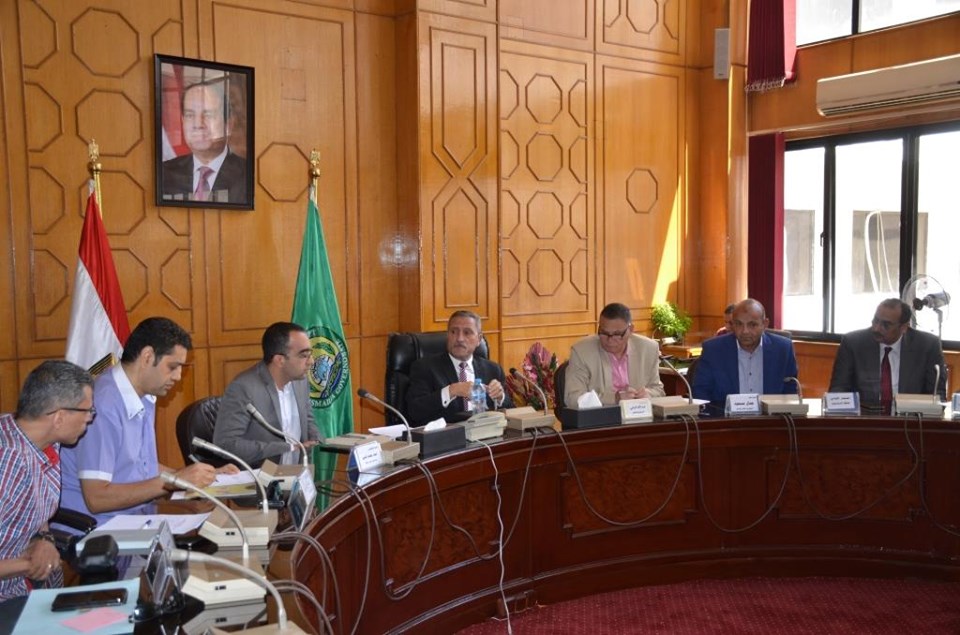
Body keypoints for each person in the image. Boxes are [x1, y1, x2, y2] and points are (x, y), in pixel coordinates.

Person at [60, 318, 233, 528]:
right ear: (147, 356)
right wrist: (176, 481)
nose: (178, 377)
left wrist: (203, 477)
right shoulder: (103, 405)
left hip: (135, 518)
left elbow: (140, 466)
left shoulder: (144, 395)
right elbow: (96, 498)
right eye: (173, 367)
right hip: (96, 530)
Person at [0, 361, 94, 602]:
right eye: (87, 411)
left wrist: (44, 538)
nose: (90, 419)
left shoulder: (45, 441)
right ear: (59, 417)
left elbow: (33, 507)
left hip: (32, 588)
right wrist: (29, 565)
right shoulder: (9, 462)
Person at [214, 322, 322, 468]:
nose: (311, 362)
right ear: (280, 360)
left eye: (310, 355)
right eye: (304, 356)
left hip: (298, 474)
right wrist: (286, 447)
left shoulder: (300, 381)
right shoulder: (244, 388)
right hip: (259, 476)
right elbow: (225, 444)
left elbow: (307, 418)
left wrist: (315, 437)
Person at [828, 298, 946, 414]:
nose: (876, 328)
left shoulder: (927, 346)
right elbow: (838, 390)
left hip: (911, 420)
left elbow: (937, 395)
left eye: (886, 325)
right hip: (864, 419)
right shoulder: (853, 343)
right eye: (875, 321)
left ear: (904, 327)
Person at [406, 311, 514, 426]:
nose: (459, 338)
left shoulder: (493, 369)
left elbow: (511, 412)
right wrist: (451, 391)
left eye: (467, 333)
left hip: (485, 433)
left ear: (479, 339)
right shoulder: (425, 367)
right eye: (453, 332)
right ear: (447, 335)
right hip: (448, 434)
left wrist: (500, 397)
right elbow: (414, 411)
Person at [692, 298, 799, 410]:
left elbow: (790, 391)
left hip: (770, 418)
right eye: (739, 324)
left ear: (764, 324)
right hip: (725, 418)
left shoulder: (783, 349)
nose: (745, 331)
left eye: (752, 325)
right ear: (732, 324)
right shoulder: (713, 350)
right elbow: (701, 392)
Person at [161, 79, 248, 204]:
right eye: (190, 115)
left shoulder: (248, 175)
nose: (198, 124)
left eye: (208, 115)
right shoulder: (164, 173)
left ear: (228, 125)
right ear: (183, 121)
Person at [564, 303, 665, 407]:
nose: (610, 340)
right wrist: (614, 398)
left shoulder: (648, 348)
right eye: (604, 333)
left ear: (630, 330)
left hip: (639, 413)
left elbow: (658, 390)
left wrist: (649, 394)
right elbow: (573, 398)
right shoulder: (582, 351)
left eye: (617, 334)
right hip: (602, 416)